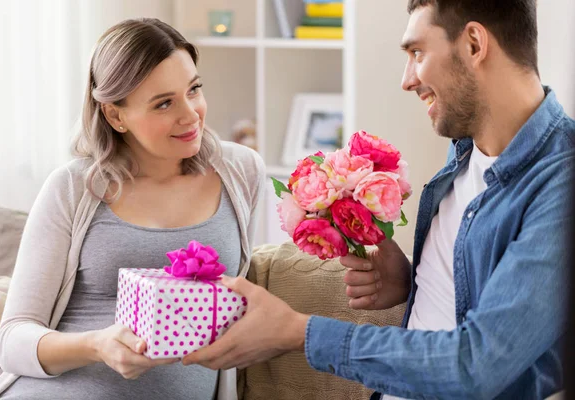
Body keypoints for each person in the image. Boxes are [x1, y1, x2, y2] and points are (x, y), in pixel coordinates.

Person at [183, 1, 575, 399]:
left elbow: (476, 366)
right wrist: (411, 283)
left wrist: (298, 332)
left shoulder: (561, 181)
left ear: (474, 43)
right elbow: (468, 297)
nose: (407, 80)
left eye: (417, 52)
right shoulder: (467, 151)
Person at [0, 18, 264, 400]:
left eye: (194, 89)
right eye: (163, 103)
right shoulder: (73, 187)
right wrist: (97, 345)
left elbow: (244, 296)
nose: (190, 114)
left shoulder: (240, 171)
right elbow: (12, 340)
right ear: (116, 116)